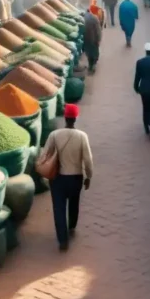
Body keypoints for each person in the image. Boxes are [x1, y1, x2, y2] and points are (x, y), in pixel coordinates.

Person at [43, 103, 93, 251]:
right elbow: (88, 160)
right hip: (75, 178)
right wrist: (88, 176)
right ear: (75, 118)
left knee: (59, 209)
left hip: (57, 179)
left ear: (65, 117)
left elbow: (44, 155)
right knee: (73, 203)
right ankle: (71, 226)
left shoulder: (54, 135)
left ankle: (62, 240)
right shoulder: (82, 136)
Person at [83, 6, 102, 73]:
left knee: (89, 53)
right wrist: (99, 39)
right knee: (95, 52)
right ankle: (94, 65)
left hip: (87, 39)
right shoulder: (95, 18)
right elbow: (98, 30)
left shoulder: (83, 19)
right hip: (94, 39)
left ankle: (90, 65)